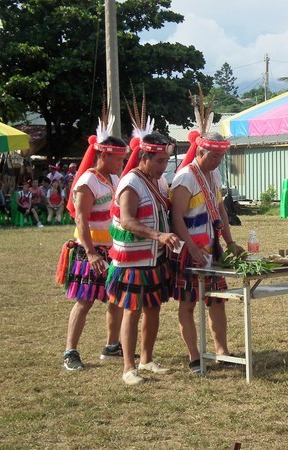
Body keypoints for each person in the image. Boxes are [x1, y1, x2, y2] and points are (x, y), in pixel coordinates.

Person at [106, 130, 182, 386]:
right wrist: (158, 235)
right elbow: (127, 220)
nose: (163, 167)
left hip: (154, 258)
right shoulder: (131, 182)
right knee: (132, 310)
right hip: (132, 260)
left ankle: (146, 359)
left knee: (153, 307)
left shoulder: (159, 182)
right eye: (158, 161)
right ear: (144, 157)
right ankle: (128, 367)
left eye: (165, 161)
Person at [170, 131, 245, 372]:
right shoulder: (185, 178)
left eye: (221, 156)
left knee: (218, 301)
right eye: (214, 156)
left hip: (213, 250)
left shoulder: (214, 174)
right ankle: (194, 356)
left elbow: (220, 208)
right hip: (191, 251)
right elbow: (177, 217)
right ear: (200, 152)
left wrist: (230, 241)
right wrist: (191, 248)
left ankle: (221, 351)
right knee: (189, 303)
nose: (218, 161)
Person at [56, 121, 128, 371]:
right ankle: (70, 351)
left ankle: (111, 346)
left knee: (116, 299)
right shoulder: (87, 181)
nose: (121, 164)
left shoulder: (114, 177)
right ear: (104, 156)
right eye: (118, 159)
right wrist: (90, 252)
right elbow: (80, 218)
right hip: (91, 250)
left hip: (113, 248)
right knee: (84, 300)